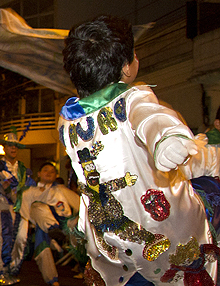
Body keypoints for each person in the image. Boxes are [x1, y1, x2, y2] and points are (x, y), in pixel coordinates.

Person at [60, 15, 220, 285]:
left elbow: (151, 122)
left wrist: (166, 138)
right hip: (162, 232)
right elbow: (152, 117)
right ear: (126, 67)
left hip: (111, 246)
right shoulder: (133, 97)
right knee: (212, 192)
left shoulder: (67, 121)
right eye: (134, 54)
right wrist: (167, 137)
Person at [0, 131, 35, 285]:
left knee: (18, 240)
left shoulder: (22, 168)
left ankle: (10, 271)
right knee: (2, 239)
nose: (13, 148)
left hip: (19, 209)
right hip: (3, 208)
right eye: (10, 145)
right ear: (4, 148)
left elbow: (30, 187)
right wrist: (1, 188)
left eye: (15, 146)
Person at [18, 162, 80, 286]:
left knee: (83, 230)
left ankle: (85, 266)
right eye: (46, 170)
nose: (49, 173)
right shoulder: (30, 191)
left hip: (64, 223)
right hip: (43, 224)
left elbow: (79, 204)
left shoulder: (60, 189)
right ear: (39, 174)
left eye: (52, 171)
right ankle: (52, 280)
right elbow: (23, 210)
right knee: (38, 208)